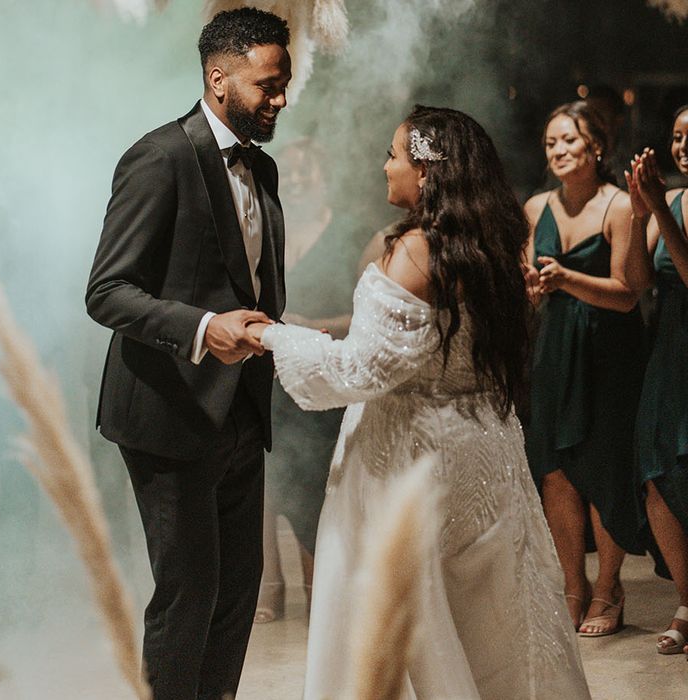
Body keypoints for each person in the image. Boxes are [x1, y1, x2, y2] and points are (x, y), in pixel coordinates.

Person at [249, 106, 590, 699]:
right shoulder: (495, 242)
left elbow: (363, 370)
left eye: (393, 155)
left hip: (411, 456)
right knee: (494, 617)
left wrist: (274, 336)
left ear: (427, 173)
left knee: (407, 618)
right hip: (486, 449)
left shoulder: (413, 251)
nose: (384, 166)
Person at [85, 8, 290, 699]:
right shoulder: (161, 156)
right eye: (269, 84)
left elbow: (257, 282)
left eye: (285, 82)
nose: (281, 98)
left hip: (239, 413)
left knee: (239, 591)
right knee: (188, 595)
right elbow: (108, 291)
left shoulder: (263, 169)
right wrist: (206, 329)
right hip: (167, 414)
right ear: (219, 78)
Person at [523, 100, 647, 637]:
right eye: (551, 143)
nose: (559, 151)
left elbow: (629, 294)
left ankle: (608, 588)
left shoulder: (620, 206)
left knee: (604, 468)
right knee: (554, 472)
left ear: (596, 145)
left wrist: (565, 280)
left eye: (569, 140)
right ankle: (572, 586)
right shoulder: (534, 208)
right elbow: (532, 286)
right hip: (553, 350)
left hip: (609, 351)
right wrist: (529, 289)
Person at [255, 139, 363, 623]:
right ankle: (269, 587)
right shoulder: (267, 229)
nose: (297, 180)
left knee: (317, 480)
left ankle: (320, 583)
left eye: (306, 171)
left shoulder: (348, 233)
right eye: (289, 173)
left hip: (324, 371)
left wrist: (313, 327)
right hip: (267, 370)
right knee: (265, 478)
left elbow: (368, 314)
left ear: (325, 176)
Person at [626, 105, 688, 655]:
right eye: (675, 136)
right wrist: (636, 213)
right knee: (656, 476)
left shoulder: (676, 209)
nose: (682, 145)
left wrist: (661, 214)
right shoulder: (670, 203)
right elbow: (636, 281)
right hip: (669, 356)